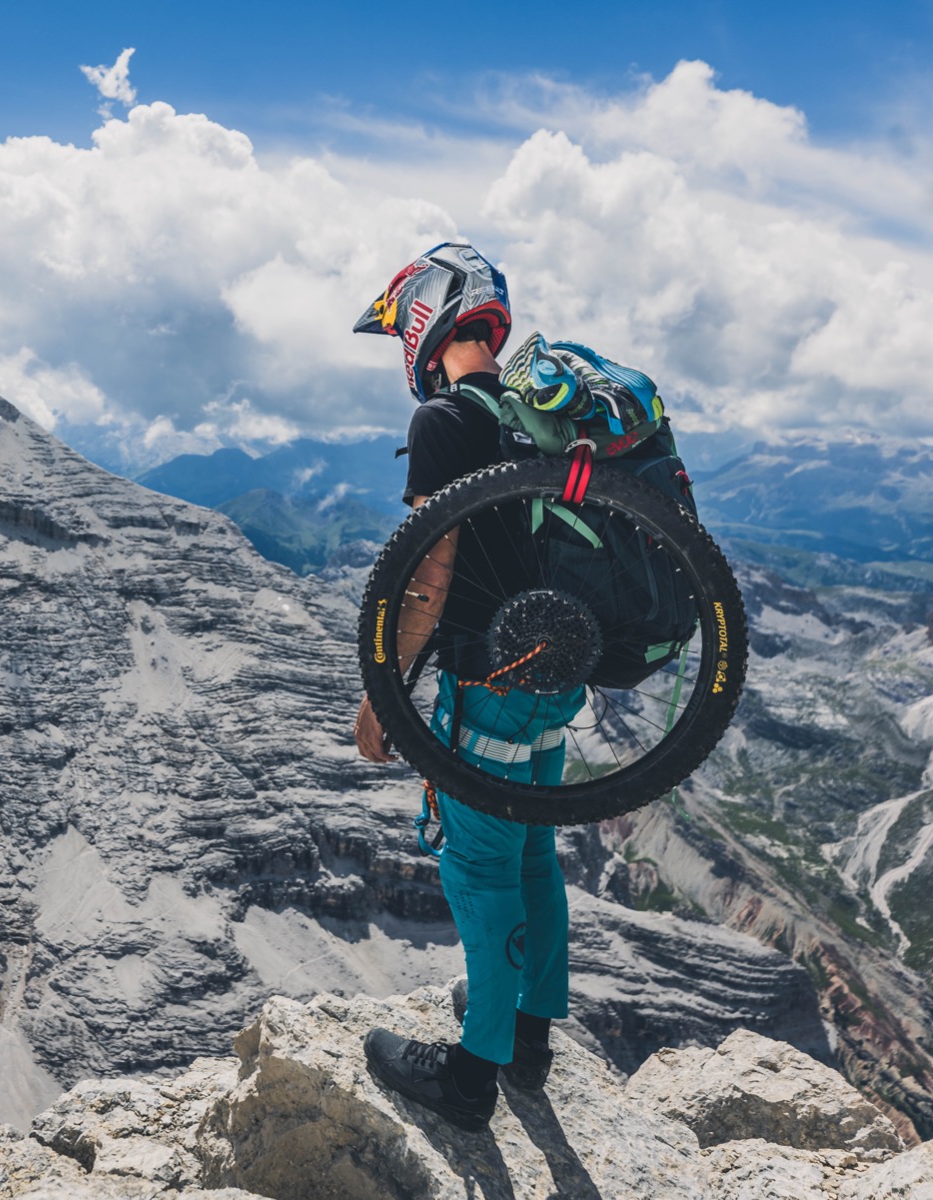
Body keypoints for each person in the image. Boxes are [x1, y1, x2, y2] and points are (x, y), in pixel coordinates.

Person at [350, 242, 574, 1132]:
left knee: (478, 865)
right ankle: (528, 1041)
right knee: (531, 858)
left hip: (487, 676)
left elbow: (426, 574)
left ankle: (471, 1077)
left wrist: (385, 693)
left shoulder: (447, 421)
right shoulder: (531, 414)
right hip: (555, 674)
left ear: (426, 317)